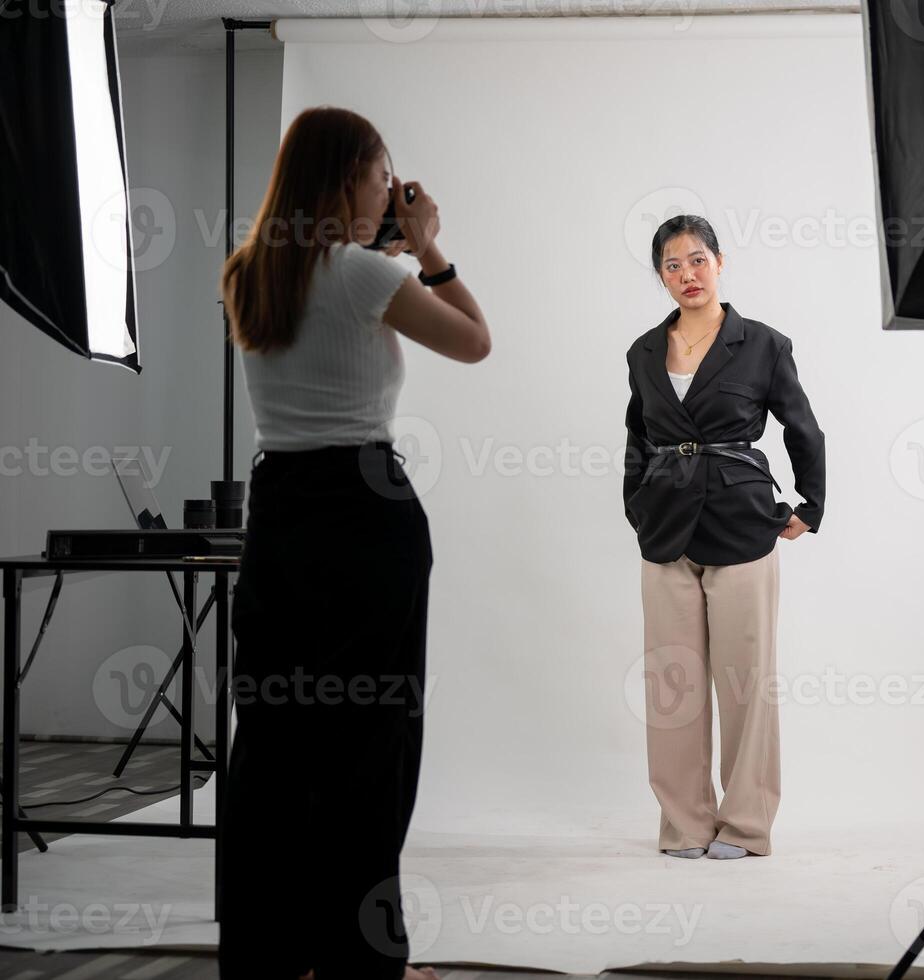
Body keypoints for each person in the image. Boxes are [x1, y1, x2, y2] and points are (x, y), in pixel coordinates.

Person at [218, 105, 489, 980]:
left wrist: (388, 251)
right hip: (366, 512)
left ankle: (272, 953)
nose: (389, 189)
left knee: (272, 739)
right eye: (380, 176)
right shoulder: (370, 273)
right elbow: (475, 343)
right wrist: (433, 250)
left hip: (280, 512)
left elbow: (328, 300)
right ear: (346, 181)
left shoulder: (246, 272)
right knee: (368, 742)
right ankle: (365, 958)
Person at [623, 214, 826, 860]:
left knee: (744, 683)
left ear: (720, 262)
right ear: (660, 275)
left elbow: (804, 430)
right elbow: (637, 438)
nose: (687, 274)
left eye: (697, 260)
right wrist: (636, 506)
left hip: (741, 522)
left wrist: (810, 506)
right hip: (665, 531)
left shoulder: (762, 344)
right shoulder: (643, 352)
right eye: (672, 265)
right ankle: (685, 824)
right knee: (673, 683)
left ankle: (744, 825)